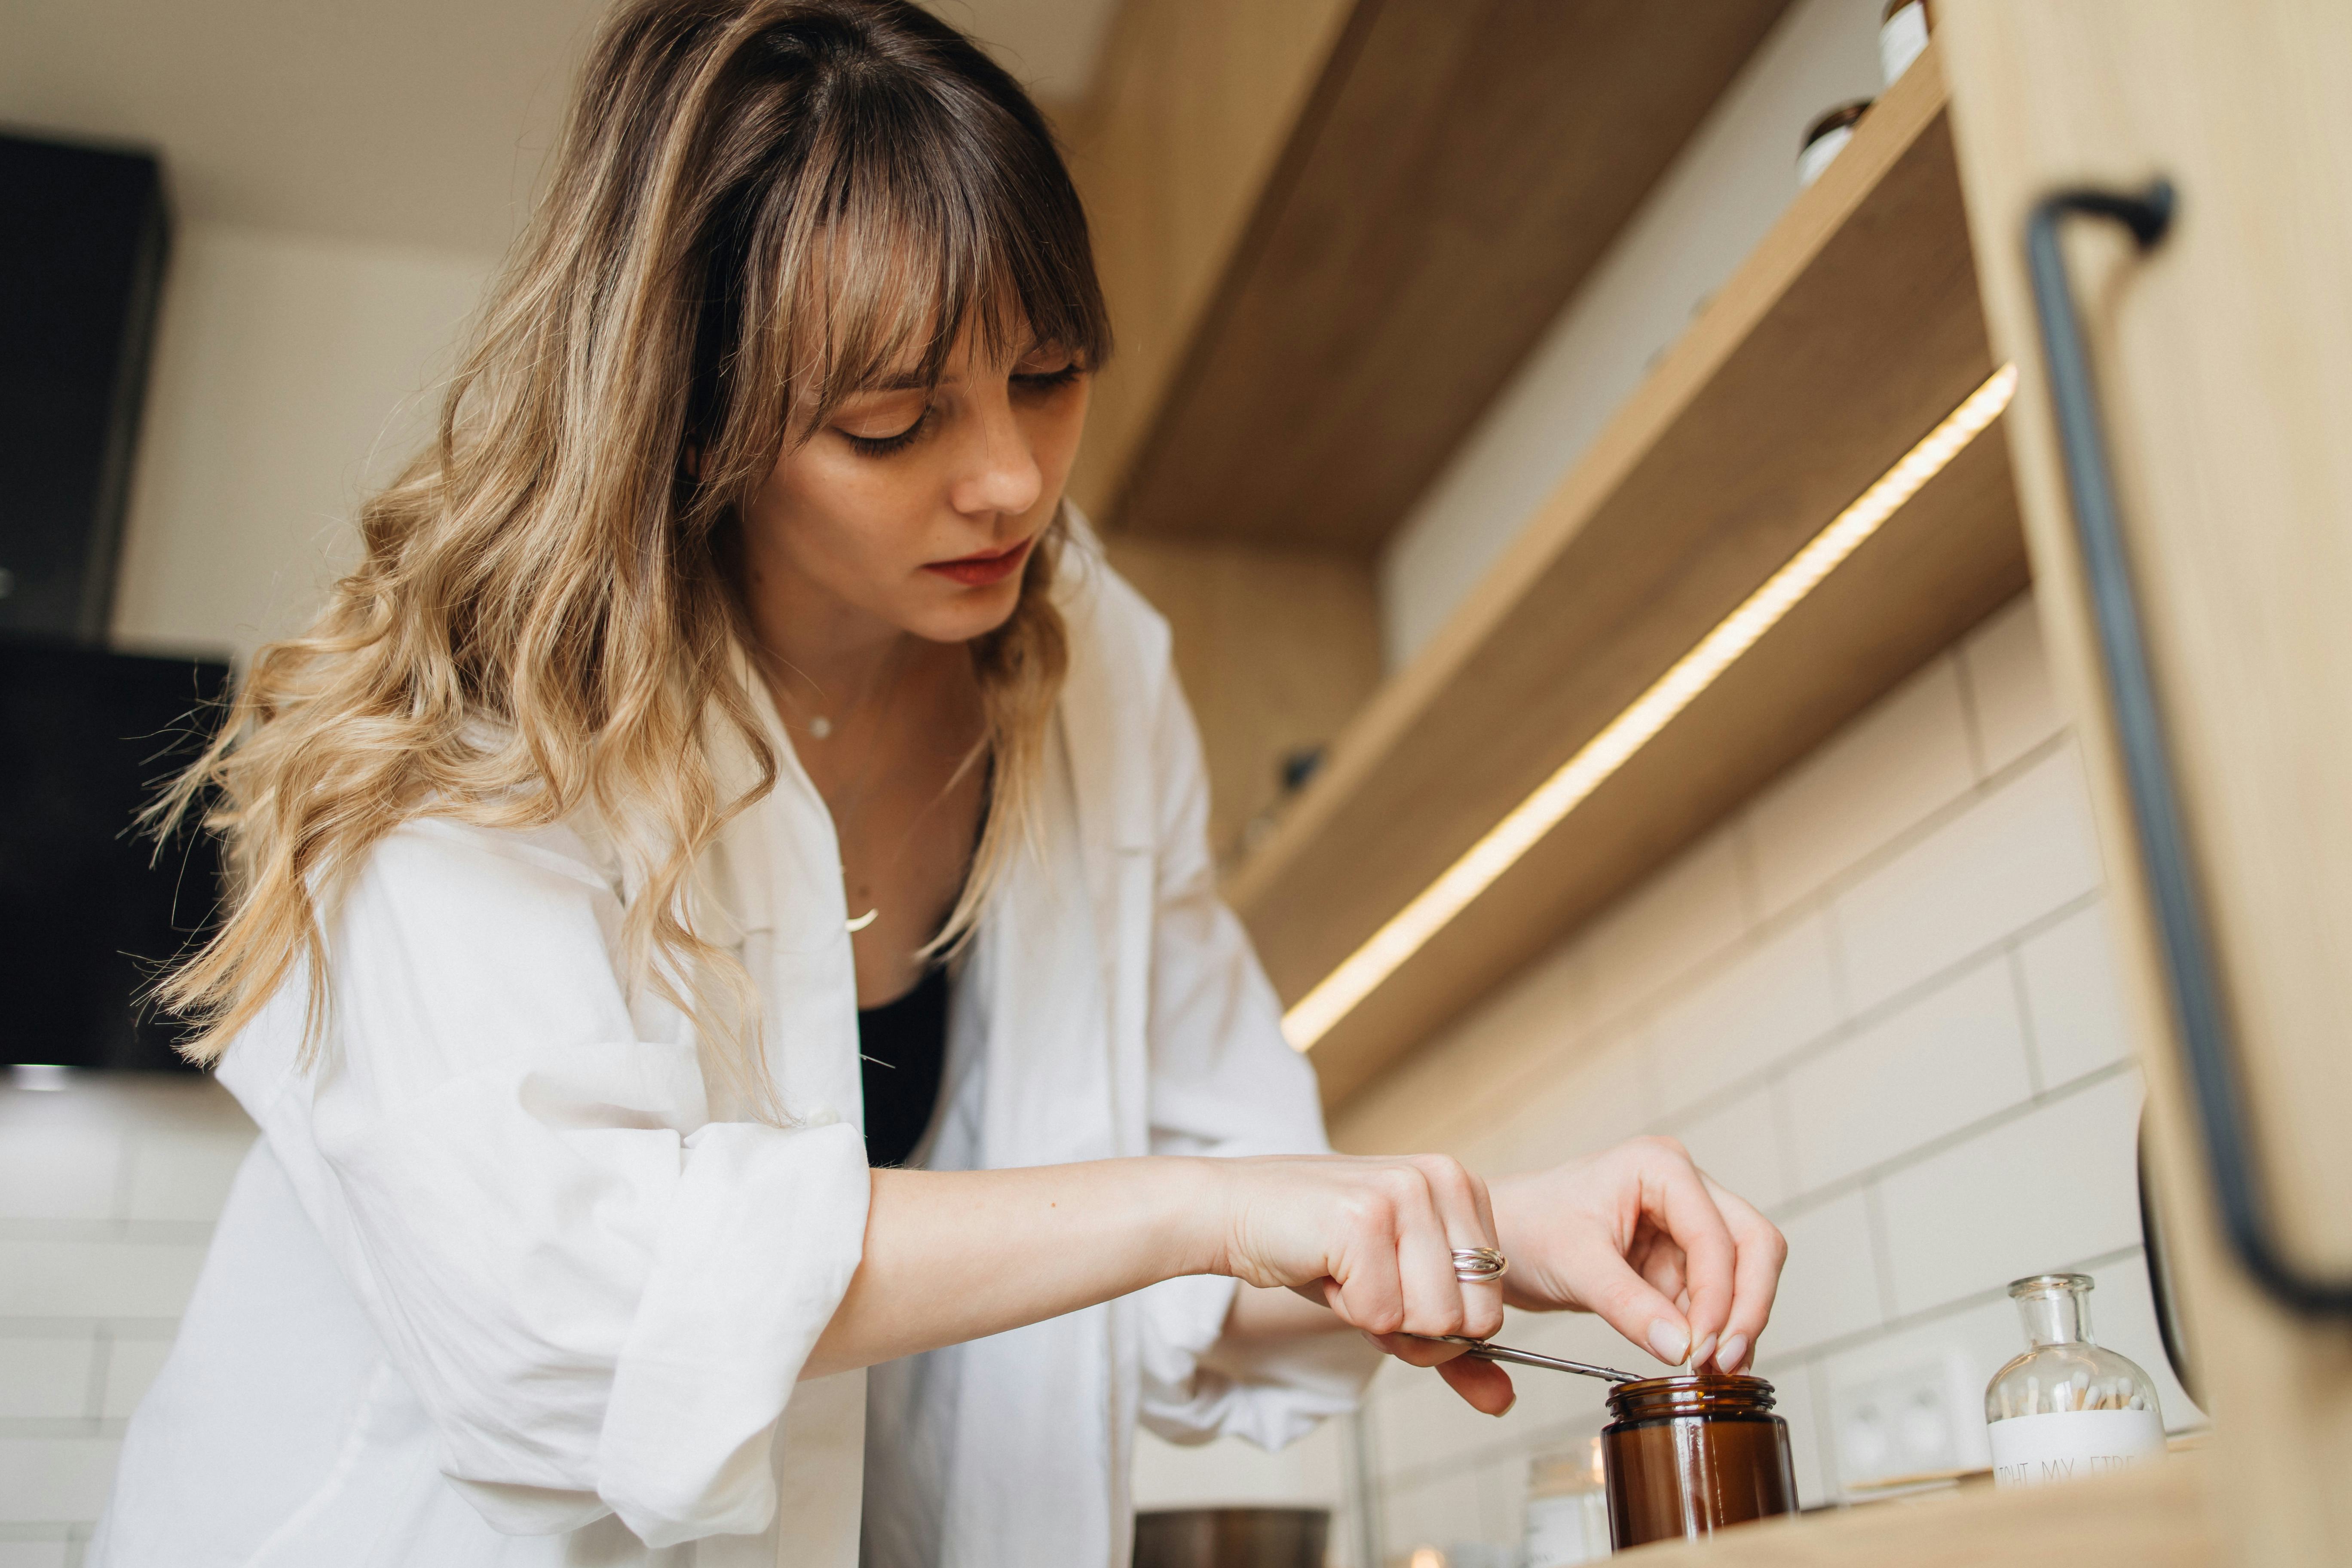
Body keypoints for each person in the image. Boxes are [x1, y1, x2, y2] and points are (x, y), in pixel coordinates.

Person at [92, 3, 1785, 1564]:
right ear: (695, 418)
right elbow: (568, 1313)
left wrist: (1495, 1237)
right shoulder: (492, 695)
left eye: (1049, 375)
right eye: (894, 424)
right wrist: (1207, 1209)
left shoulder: (1096, 669)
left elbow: (1203, 1268)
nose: (1008, 483)